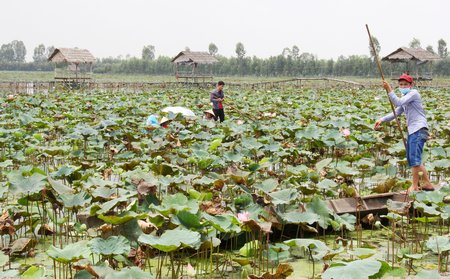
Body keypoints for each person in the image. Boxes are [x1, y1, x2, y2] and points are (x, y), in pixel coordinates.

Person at [374, 74, 435, 193]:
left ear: (410, 85)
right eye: (401, 84)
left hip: (418, 129)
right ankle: (427, 183)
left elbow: (397, 102)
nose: (403, 86)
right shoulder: (405, 97)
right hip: (413, 130)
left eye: (405, 84)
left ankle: (415, 186)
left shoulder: (413, 93)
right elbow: (396, 111)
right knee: (413, 159)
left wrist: (389, 89)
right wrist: (382, 119)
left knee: (414, 159)